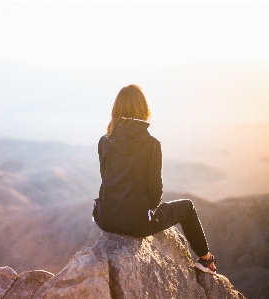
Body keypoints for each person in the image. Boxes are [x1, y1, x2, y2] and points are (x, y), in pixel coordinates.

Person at [92, 84, 216, 274]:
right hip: (137, 223)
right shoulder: (151, 144)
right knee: (188, 207)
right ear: (143, 109)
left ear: (116, 109)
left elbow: (107, 178)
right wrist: (146, 211)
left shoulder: (104, 141)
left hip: (105, 218)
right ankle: (206, 259)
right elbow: (155, 193)